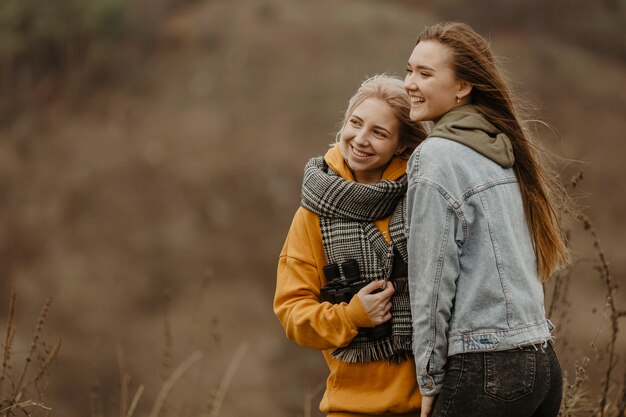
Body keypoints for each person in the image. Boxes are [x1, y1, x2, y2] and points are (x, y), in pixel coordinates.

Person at [403, 22, 570, 417]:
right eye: (409, 69)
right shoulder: (497, 148)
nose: (409, 82)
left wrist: (428, 379)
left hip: (486, 369)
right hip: (541, 362)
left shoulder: (437, 157)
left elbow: (431, 281)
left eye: (425, 74)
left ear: (462, 87)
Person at [274, 74, 429, 416]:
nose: (360, 139)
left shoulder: (423, 196)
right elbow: (292, 312)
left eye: (379, 132)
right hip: (352, 408)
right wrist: (353, 315)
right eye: (355, 123)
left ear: (401, 145)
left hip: (432, 402)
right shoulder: (312, 214)